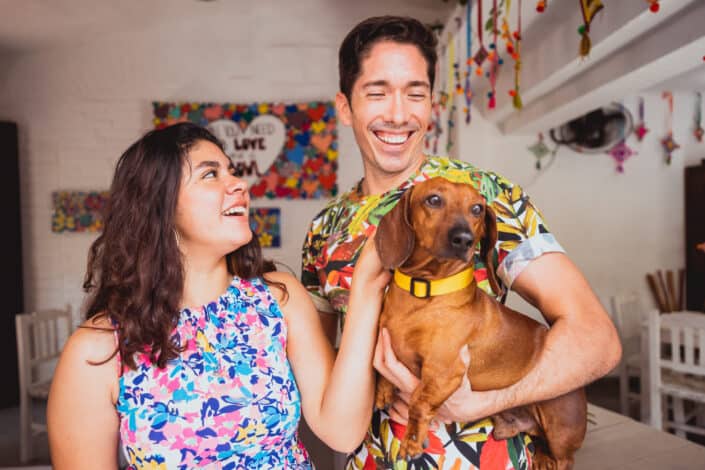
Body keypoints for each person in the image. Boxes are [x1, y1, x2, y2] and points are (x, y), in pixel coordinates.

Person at [301, 16, 622, 469]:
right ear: (344, 105)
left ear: (432, 103)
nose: (397, 113)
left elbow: (598, 341)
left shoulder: (489, 197)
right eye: (377, 92)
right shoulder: (324, 230)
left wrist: (484, 403)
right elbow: (324, 383)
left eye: (415, 93)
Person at [47, 122, 390, 469]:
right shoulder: (99, 350)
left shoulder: (279, 300)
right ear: (160, 205)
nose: (240, 184)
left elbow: (342, 432)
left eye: (233, 171)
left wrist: (365, 290)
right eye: (210, 175)